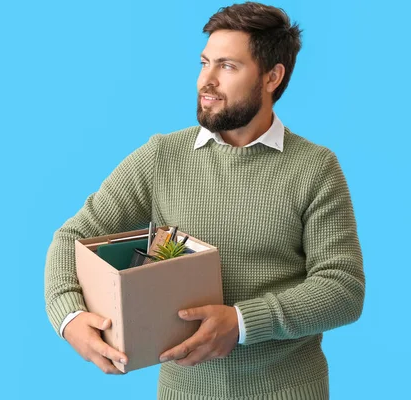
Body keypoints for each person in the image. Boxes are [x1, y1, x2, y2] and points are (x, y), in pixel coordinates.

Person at [44, 2, 365, 399]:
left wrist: (242, 322)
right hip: (184, 391)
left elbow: (343, 288)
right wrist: (70, 317)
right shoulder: (162, 156)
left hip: (288, 389)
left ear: (272, 77)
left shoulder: (315, 168)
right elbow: (72, 236)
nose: (205, 81)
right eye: (204, 62)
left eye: (227, 66)